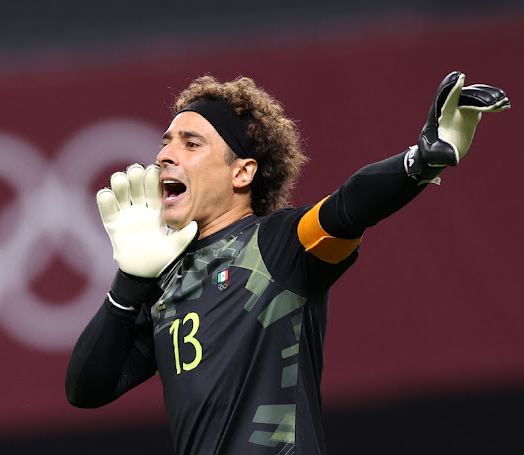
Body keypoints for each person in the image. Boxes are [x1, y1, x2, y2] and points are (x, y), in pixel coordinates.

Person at [65, 72, 510, 454]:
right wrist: (129, 282)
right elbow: (86, 390)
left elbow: (348, 206)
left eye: (190, 143)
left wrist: (418, 160)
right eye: (166, 142)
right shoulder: (167, 285)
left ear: (242, 172)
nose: (164, 154)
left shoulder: (276, 247)